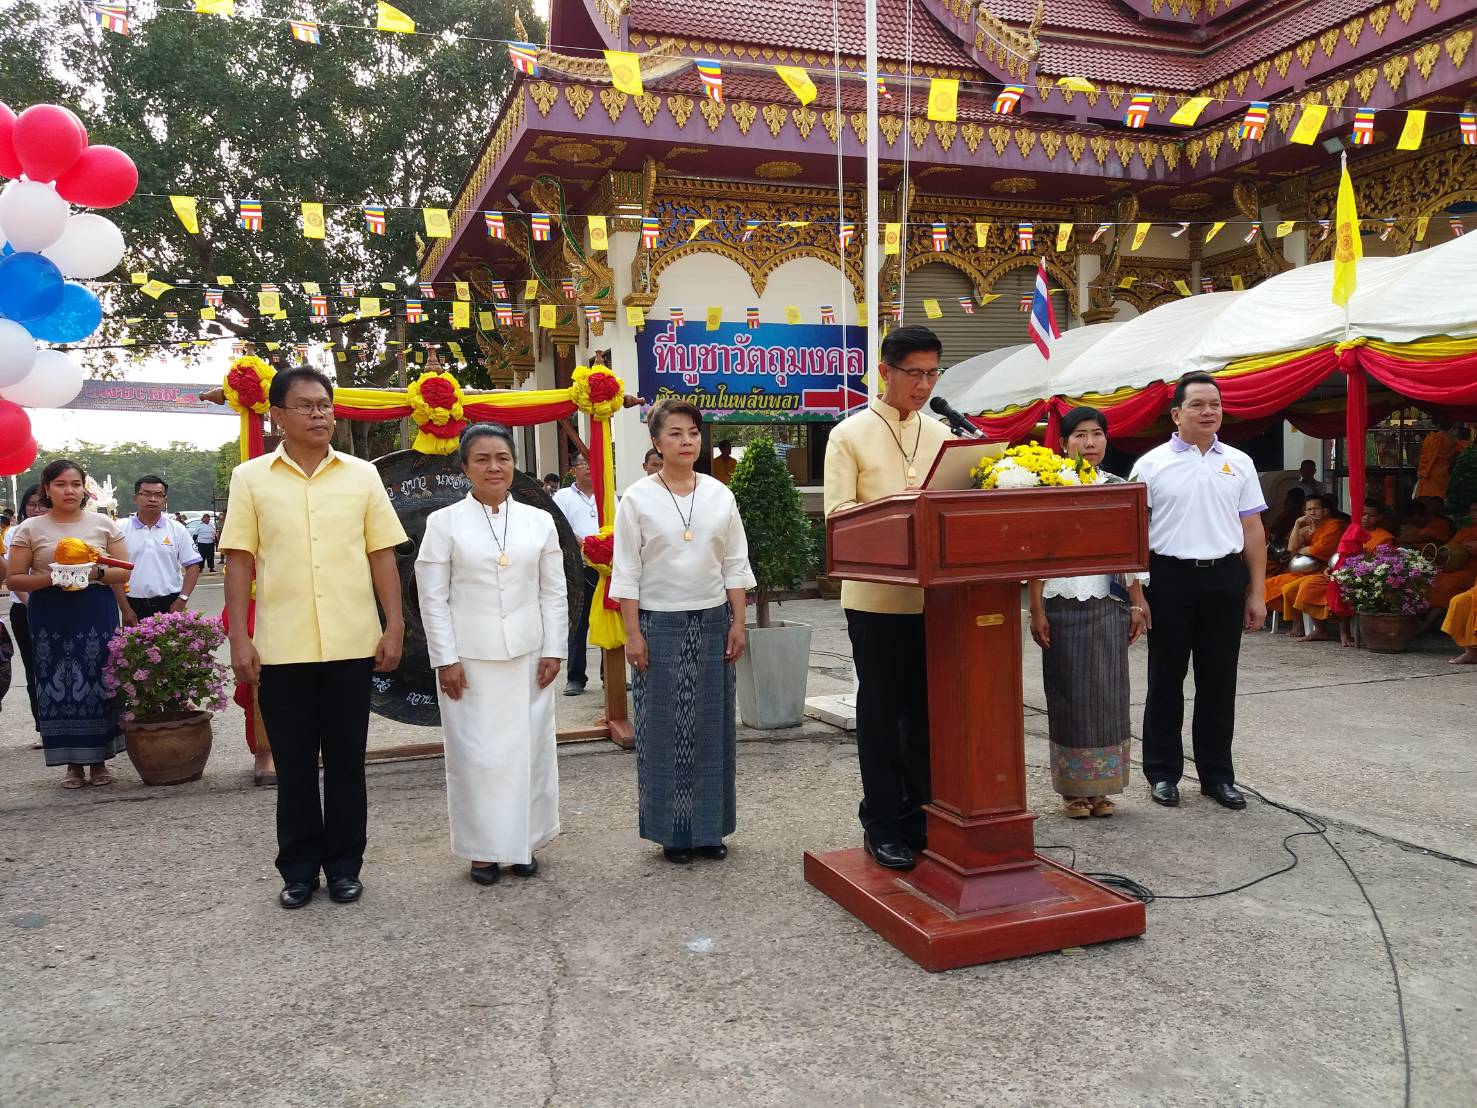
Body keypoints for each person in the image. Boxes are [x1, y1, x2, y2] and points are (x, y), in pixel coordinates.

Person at [220, 367, 408, 910]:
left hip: (352, 643)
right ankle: (299, 870)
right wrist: (239, 636)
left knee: (348, 763)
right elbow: (238, 560)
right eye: (306, 406)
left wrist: (393, 624)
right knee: (295, 767)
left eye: (325, 404)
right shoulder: (251, 479)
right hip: (282, 647)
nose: (320, 413)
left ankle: (346, 866)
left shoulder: (361, 476)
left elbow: (382, 555)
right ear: (277, 416)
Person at [416, 424, 568, 886]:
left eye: (502, 457)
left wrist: (555, 649)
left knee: (528, 753)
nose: (493, 467)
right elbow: (432, 597)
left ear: (514, 463)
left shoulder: (539, 520)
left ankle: (523, 843)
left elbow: (554, 592)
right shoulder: (443, 524)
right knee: (478, 758)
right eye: (481, 459)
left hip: (529, 657)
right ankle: (484, 851)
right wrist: (445, 659)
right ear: (465, 468)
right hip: (470, 660)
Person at [823, 325, 951, 869]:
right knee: (881, 714)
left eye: (932, 374)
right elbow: (838, 519)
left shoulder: (944, 430)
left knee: (927, 715)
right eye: (914, 374)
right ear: (885, 372)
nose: (923, 386)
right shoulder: (848, 435)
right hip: (876, 600)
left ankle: (921, 816)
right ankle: (881, 821)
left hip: (939, 602)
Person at [611, 399, 755, 864]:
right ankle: (673, 834)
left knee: (713, 726)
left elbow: (734, 563)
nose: (686, 441)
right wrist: (633, 634)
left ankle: (709, 830)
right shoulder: (636, 499)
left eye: (692, 432)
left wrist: (738, 621)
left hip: (714, 621)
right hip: (659, 623)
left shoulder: (720, 495)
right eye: (674, 433)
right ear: (656, 442)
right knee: (663, 729)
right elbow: (627, 572)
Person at [1129, 372, 1267, 812]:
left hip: (1224, 579)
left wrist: (1257, 592)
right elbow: (1133, 536)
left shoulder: (1240, 463)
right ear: (1176, 414)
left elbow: (1252, 529)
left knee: (1218, 681)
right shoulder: (1150, 465)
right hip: (1169, 580)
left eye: (1215, 404)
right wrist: (1138, 595)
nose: (1209, 412)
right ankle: (1163, 773)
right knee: (1165, 680)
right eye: (1198, 405)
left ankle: (1217, 776)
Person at [1027, 407, 1148, 819]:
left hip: (1108, 602)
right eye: (1079, 435)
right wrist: (1036, 608)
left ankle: (1105, 788)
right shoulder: (1047, 487)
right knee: (1068, 696)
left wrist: (1136, 601)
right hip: (1062, 603)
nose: (1090, 443)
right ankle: (1073, 792)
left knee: (1110, 697)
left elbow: (1131, 553)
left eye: (1097, 434)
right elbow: (1036, 555)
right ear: (1063, 443)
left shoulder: (1119, 488)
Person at [5, 459, 133, 789]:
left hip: (95, 607)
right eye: (61, 484)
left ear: (84, 489)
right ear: (47, 488)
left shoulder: (103, 524)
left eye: (75, 484)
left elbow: (124, 570)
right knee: (57, 681)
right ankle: (72, 764)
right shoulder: (30, 529)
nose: (69, 490)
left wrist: (94, 573)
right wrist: (52, 577)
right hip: (51, 611)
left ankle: (100, 759)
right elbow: (14, 577)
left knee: (97, 677)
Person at [1286, 498, 1396, 645]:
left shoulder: (1384, 538)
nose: (1365, 518)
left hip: (1364, 578)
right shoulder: (1351, 532)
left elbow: (1383, 565)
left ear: (1379, 517)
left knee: (1342, 589)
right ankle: (1319, 629)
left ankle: (1344, 633)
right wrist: (1330, 569)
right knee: (1308, 585)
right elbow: (1339, 555)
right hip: (1337, 573)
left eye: (1371, 515)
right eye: (1362, 514)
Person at [118, 476, 203, 623]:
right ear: (135, 498)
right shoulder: (120, 529)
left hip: (170, 604)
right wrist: (125, 608)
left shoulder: (177, 529)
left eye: (158, 495)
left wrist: (182, 599)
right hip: (133, 605)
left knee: (171, 646)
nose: (152, 499)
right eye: (146, 494)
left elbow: (193, 567)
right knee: (135, 646)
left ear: (165, 501)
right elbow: (114, 570)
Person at [552, 455, 601, 696]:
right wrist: (586, 545)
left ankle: (609, 675)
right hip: (577, 568)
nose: (590, 468)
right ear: (573, 470)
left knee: (608, 620)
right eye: (584, 463)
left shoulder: (607, 493)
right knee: (578, 623)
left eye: (593, 463)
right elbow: (559, 526)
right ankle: (575, 678)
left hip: (605, 567)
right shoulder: (563, 496)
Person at [1262, 492, 1341, 626]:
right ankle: (1295, 622)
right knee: (1268, 585)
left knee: (1290, 589)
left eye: (1315, 509)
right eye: (1308, 509)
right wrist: (1298, 524)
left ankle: (1298, 624)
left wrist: (1300, 550)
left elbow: (1320, 550)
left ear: (1325, 511)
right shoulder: (1305, 528)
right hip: (1302, 571)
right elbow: (1291, 547)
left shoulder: (1333, 526)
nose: (1312, 512)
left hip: (1322, 570)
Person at [5, 484, 45, 744]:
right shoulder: (15, 534)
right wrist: (31, 604)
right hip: (25, 608)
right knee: (34, 669)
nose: (37, 508)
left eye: (42, 503)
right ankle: (42, 726)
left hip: (55, 606)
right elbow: (13, 576)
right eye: (31, 504)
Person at [1422, 499, 1477, 624]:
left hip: (1473, 571)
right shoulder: (1465, 532)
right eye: (1471, 511)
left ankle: (1425, 625)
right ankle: (1419, 618)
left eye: (1476, 511)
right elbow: (1447, 549)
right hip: (1457, 568)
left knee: (1447, 584)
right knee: (1432, 578)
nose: (1472, 514)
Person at [1413, 423, 1460, 501]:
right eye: (1457, 429)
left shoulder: (1431, 438)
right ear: (1451, 429)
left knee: (1426, 501)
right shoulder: (1451, 441)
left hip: (1428, 474)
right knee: (1438, 500)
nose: (1458, 432)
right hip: (1441, 473)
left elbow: (1426, 456)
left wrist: (1424, 471)